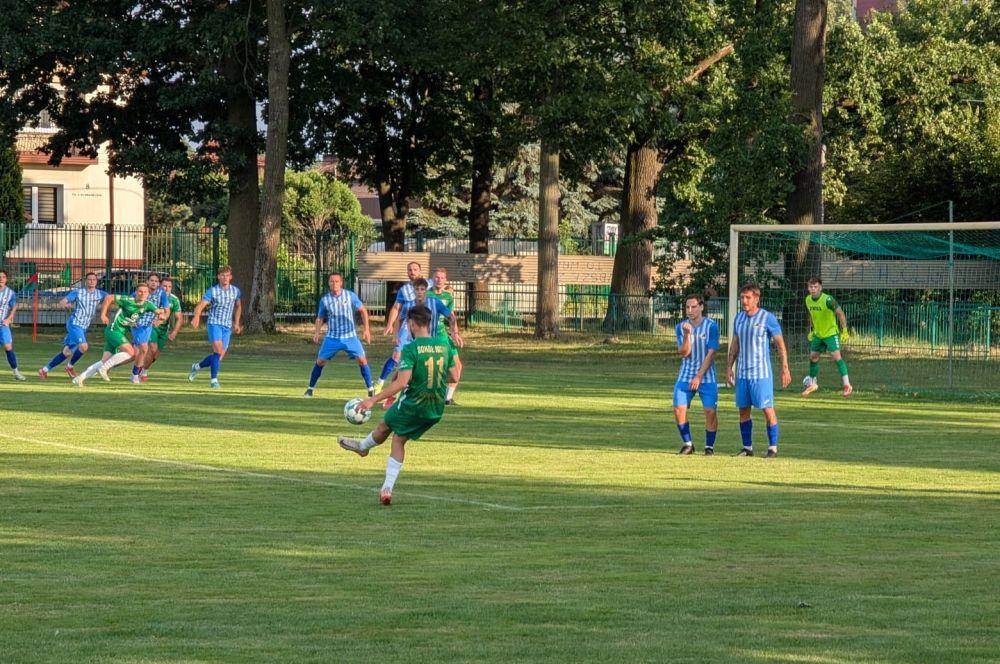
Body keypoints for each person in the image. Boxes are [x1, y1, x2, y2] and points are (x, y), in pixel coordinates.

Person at [338, 304, 459, 506]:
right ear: (429, 322)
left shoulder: (411, 348)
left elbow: (402, 383)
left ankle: (383, 482)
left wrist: (372, 400)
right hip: (436, 408)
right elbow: (454, 375)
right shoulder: (444, 344)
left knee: (392, 435)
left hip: (413, 403)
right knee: (391, 431)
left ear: (411, 323)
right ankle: (363, 448)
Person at [726, 283, 791, 457]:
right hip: (742, 374)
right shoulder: (738, 318)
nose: (744, 301)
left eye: (748, 298)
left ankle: (773, 448)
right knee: (743, 410)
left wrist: (785, 367)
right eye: (742, 298)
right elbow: (735, 344)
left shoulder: (767, 318)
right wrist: (729, 367)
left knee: (767, 409)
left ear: (756, 299)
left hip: (761, 374)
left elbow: (780, 344)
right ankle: (747, 448)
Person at [382, 277, 463, 408]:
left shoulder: (435, 303)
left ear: (427, 290)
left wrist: (454, 332)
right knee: (398, 374)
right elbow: (399, 319)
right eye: (417, 289)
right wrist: (396, 335)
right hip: (413, 346)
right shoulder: (409, 305)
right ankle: (391, 397)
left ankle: (434, 393)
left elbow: (451, 316)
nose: (419, 292)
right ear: (413, 290)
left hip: (433, 345)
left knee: (450, 374)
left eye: (422, 289)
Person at [74, 285, 165, 386]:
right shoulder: (128, 300)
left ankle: (80, 378)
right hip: (113, 330)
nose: (142, 294)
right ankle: (104, 368)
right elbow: (109, 298)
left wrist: (161, 315)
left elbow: (159, 311)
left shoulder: (148, 305)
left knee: (104, 360)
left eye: (145, 292)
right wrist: (103, 314)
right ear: (136, 292)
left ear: (148, 294)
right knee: (131, 352)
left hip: (119, 332)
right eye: (140, 291)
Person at [304, 273, 373, 398]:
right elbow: (320, 317)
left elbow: (363, 310)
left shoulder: (350, 296)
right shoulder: (325, 300)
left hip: (350, 336)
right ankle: (310, 389)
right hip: (332, 337)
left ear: (341, 283)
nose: (334, 284)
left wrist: (366, 330)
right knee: (320, 361)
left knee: (362, 360)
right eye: (331, 281)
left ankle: (370, 388)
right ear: (329, 283)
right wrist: (317, 333)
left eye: (337, 281)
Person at [374, 261, 434, 393]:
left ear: (420, 271)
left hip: (424, 327)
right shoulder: (404, 290)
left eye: (415, 269)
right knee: (396, 356)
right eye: (410, 270)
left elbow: (441, 286)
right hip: (406, 327)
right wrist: (390, 324)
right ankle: (380, 383)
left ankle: (415, 387)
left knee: (423, 357)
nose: (412, 272)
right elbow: (396, 308)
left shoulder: (429, 284)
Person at [39, 271, 108, 380]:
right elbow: (63, 301)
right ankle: (69, 366)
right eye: (89, 279)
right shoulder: (78, 292)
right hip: (75, 324)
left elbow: (111, 299)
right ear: (86, 281)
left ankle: (44, 370)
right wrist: (65, 304)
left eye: (94, 280)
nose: (92, 281)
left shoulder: (100, 294)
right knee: (84, 346)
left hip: (83, 327)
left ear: (97, 281)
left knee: (67, 352)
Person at [673, 294, 720, 455]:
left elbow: (711, 353)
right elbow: (684, 353)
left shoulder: (711, 326)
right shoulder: (681, 327)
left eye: (693, 307)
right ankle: (688, 443)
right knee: (679, 408)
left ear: (701, 307)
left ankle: (709, 447)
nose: (690, 310)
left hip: (706, 376)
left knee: (710, 412)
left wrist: (699, 376)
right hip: (686, 375)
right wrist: (687, 335)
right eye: (687, 307)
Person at [188, 265, 242, 389]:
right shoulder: (212, 291)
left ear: (231, 277)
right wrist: (196, 317)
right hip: (214, 323)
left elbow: (238, 306)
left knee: (218, 357)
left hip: (227, 326)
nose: (225, 278)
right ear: (218, 277)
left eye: (227, 275)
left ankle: (196, 367)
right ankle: (214, 380)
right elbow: (201, 305)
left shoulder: (236, 291)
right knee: (217, 351)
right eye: (222, 275)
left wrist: (237, 323)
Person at [801, 277, 853, 397]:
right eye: (811, 287)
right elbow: (812, 315)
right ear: (808, 288)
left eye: (815, 287)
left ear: (820, 288)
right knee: (813, 357)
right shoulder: (808, 300)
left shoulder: (828, 300)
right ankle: (812, 384)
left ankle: (847, 385)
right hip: (818, 335)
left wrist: (844, 330)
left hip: (830, 333)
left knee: (836, 357)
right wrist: (812, 330)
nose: (813, 289)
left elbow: (840, 313)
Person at [428, 267, 463, 405]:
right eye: (437, 277)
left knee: (457, 366)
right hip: (429, 336)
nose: (440, 280)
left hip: (443, 334)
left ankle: (447, 398)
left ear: (446, 280)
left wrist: (455, 333)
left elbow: (451, 316)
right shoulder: (426, 295)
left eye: (442, 278)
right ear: (432, 279)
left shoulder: (448, 296)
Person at [129, 273, 169, 384]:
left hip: (149, 326)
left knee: (136, 353)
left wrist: (161, 319)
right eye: (152, 280)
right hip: (137, 325)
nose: (154, 283)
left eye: (156, 281)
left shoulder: (161, 293)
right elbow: (127, 307)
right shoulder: (138, 293)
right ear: (147, 281)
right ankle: (137, 374)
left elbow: (166, 311)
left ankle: (107, 365)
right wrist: (132, 320)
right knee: (145, 348)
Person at [141, 276, 184, 380]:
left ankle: (142, 368)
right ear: (160, 286)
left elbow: (179, 318)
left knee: (155, 356)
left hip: (163, 330)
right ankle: (142, 373)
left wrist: (174, 332)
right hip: (151, 326)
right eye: (164, 286)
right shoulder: (154, 295)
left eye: (169, 286)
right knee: (153, 348)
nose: (167, 288)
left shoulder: (174, 299)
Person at [0, 270, 25, 381]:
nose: (1, 279)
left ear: (6, 279)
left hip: (3, 324)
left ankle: (16, 373)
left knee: (8, 347)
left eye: (3, 277)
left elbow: (14, 306)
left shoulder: (10, 292)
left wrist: (9, 319)